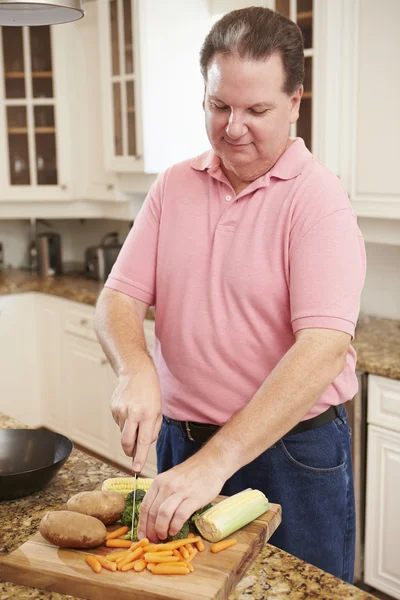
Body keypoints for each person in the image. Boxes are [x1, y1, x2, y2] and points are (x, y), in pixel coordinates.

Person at [94, 6, 366, 583]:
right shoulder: (173, 186)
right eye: (220, 106)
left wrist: (217, 462)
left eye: (257, 109)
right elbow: (117, 299)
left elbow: (321, 346)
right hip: (182, 445)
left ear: (295, 101)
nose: (233, 126)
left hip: (291, 457)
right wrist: (133, 368)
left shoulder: (318, 201)